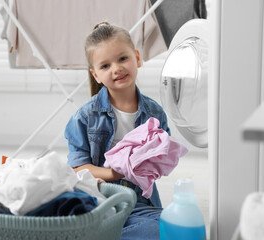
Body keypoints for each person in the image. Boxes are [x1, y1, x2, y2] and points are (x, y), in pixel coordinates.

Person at [64, 22, 171, 240]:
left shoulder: (155, 113)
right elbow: (78, 168)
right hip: (100, 199)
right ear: (96, 75)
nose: (116, 68)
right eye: (105, 66)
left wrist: (153, 158)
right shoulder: (84, 117)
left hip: (141, 203)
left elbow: (163, 160)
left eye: (123, 58)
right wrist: (116, 173)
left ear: (137, 58)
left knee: (170, 227)